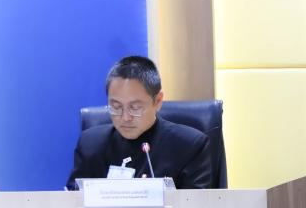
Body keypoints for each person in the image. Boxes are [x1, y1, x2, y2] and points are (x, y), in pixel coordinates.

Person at [66, 56, 212, 189]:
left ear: (158, 101)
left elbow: (194, 206)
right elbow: (72, 202)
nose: (125, 117)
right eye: (116, 107)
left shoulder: (188, 146)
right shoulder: (90, 144)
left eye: (135, 107)